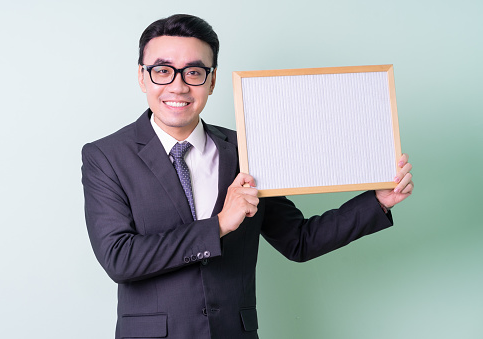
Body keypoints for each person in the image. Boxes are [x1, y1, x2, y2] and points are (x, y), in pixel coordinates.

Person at [81, 14, 413, 339]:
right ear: (142, 77)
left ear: (211, 81)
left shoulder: (247, 150)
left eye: (193, 72)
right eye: (163, 71)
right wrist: (220, 224)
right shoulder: (106, 157)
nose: (178, 86)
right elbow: (119, 259)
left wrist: (377, 202)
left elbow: (298, 240)